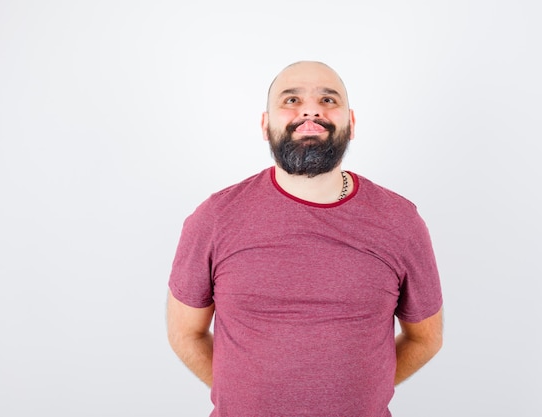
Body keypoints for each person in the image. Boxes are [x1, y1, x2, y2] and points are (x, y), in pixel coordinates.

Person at [166, 60, 444, 417]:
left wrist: (365, 394)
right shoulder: (214, 218)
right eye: (291, 100)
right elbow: (186, 333)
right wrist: (240, 395)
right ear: (266, 125)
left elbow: (425, 337)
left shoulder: (400, 221)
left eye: (328, 100)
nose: (311, 109)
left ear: (352, 124)